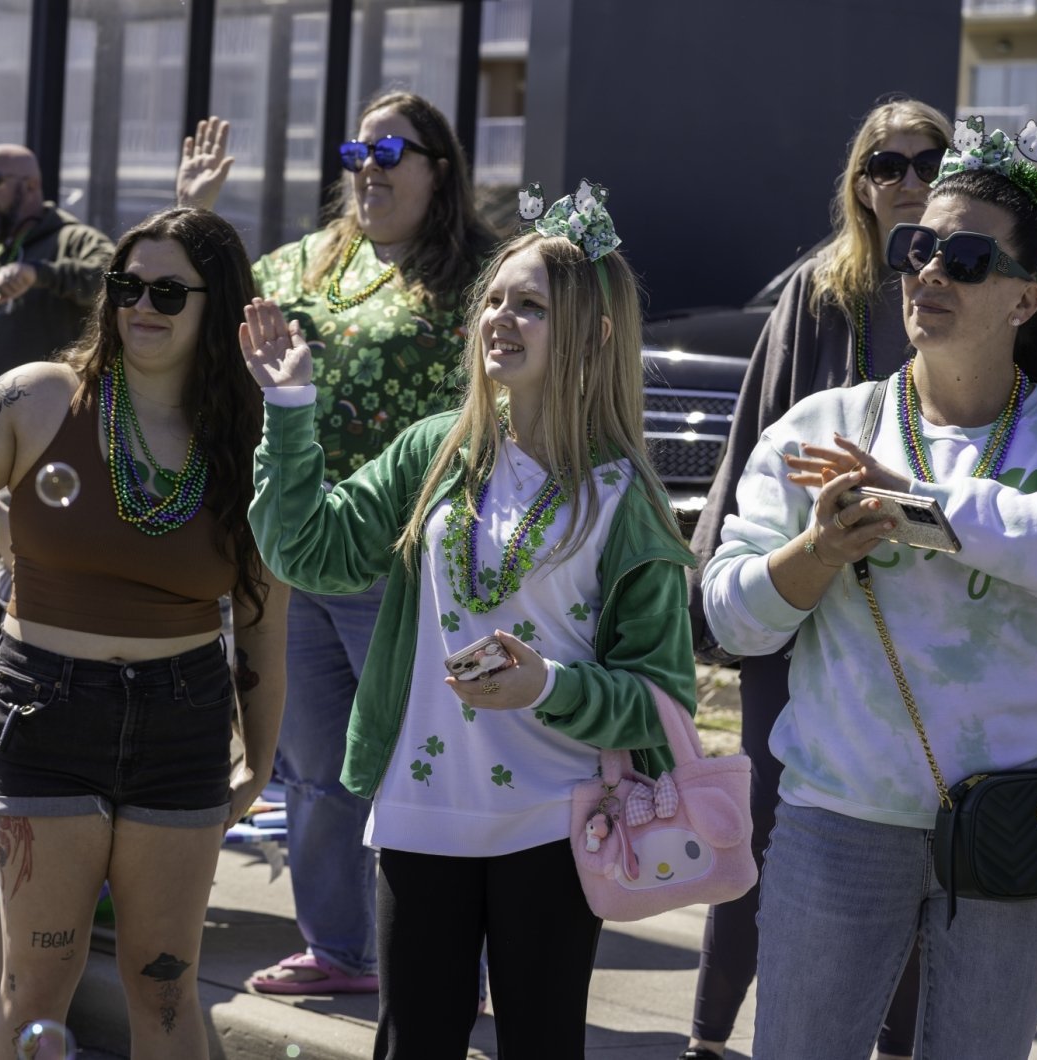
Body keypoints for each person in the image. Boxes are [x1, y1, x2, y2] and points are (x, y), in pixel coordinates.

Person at [701, 119, 1037, 1058]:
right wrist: (819, 553)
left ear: (1026, 297)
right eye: (918, 249)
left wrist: (920, 502)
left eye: (965, 257)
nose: (930, 273)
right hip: (841, 815)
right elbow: (728, 617)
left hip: (1022, 822)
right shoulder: (819, 425)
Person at [241, 184, 698, 1058]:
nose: (500, 318)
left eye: (530, 305)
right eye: (493, 299)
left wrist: (549, 686)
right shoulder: (434, 449)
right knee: (415, 1042)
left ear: (593, 337)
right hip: (422, 810)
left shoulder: (623, 495)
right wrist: (291, 411)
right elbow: (309, 552)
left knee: (539, 1041)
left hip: (561, 824)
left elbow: (658, 699)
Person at [176, 91, 491, 995]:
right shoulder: (306, 262)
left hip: (407, 557)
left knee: (418, 758)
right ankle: (342, 949)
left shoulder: (475, 276)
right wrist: (199, 213)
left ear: (441, 168)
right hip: (293, 552)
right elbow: (205, 308)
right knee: (315, 768)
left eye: (393, 148)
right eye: (359, 147)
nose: (371, 165)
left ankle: (437, 963)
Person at [0, 206, 288, 1058]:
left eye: (170, 291)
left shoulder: (249, 441)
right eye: (127, 284)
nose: (143, 304)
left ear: (218, 305)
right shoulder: (38, 399)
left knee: (165, 987)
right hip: (45, 708)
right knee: (35, 985)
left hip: (184, 718)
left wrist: (258, 755)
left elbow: (262, 623)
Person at [680, 97, 951, 1060]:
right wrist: (726, 581)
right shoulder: (816, 290)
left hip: (920, 612)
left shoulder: (966, 286)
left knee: (912, 831)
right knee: (766, 823)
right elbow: (754, 437)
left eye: (929, 160)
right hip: (803, 596)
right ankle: (711, 1036)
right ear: (859, 181)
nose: (908, 180)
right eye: (887, 162)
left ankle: (896, 1041)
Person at [0, 144, 115, 388]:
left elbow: (111, 281)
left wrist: (40, 273)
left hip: (49, 414)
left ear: (31, 185)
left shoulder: (73, 238)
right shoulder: (0, 253)